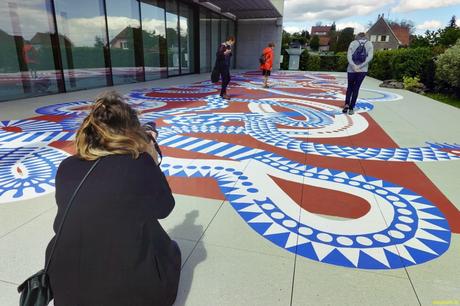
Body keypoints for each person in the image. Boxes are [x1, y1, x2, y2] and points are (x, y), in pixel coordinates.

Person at [45, 91, 181, 306]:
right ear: (132, 131)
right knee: (166, 245)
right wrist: (152, 159)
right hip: (127, 294)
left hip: (66, 289)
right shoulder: (139, 163)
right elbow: (164, 208)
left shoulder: (67, 166)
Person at [342, 32, 374, 115]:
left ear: (357, 36)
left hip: (351, 69)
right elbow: (370, 57)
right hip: (362, 70)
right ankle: (351, 108)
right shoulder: (369, 44)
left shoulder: (353, 43)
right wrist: (360, 66)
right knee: (356, 88)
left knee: (350, 87)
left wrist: (353, 66)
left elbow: (349, 55)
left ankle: (346, 105)